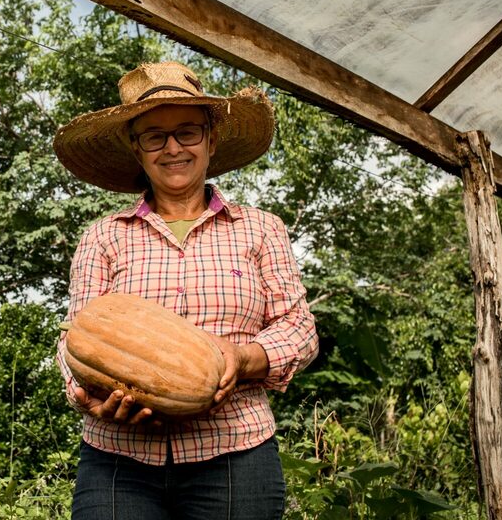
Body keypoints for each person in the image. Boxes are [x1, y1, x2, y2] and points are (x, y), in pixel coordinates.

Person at [53, 61, 319, 519]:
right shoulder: (103, 236)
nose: (172, 147)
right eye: (154, 136)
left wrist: (241, 358)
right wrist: (87, 395)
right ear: (137, 149)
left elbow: (299, 329)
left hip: (237, 449)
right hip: (119, 458)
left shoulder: (260, 229)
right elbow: (76, 339)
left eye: (187, 132)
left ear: (211, 139)